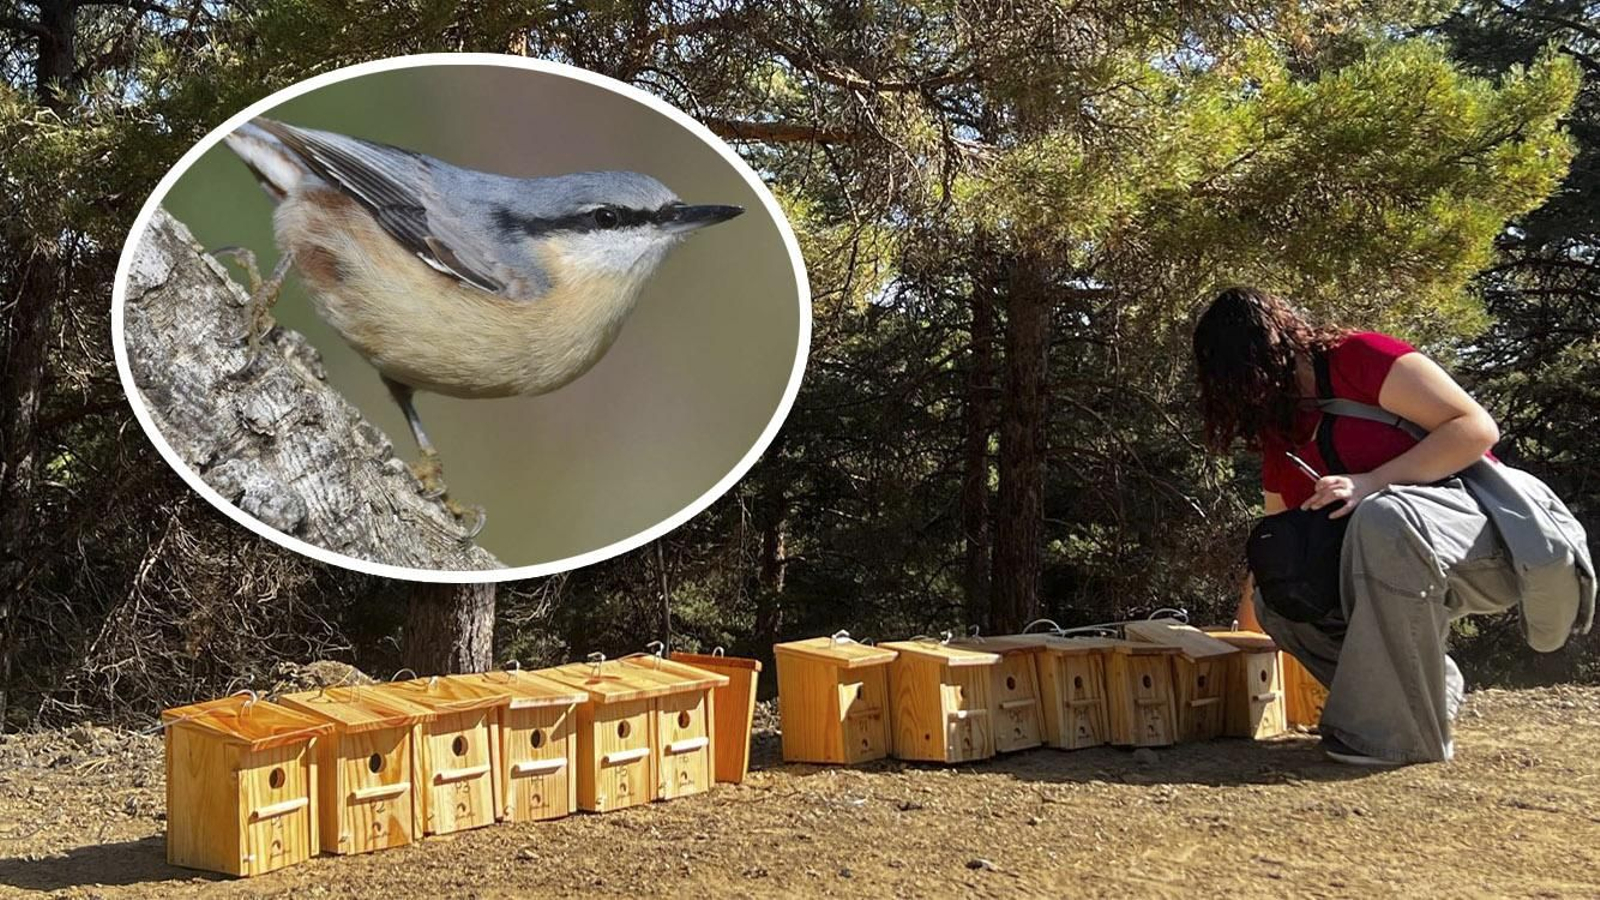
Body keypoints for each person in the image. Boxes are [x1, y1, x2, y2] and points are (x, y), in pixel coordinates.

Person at [1192, 285, 1510, 767]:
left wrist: (1373, 483)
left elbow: (1476, 427)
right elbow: (1279, 542)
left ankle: (1398, 741)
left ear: (1272, 351)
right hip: (1393, 549)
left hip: (1480, 537)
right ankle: (1427, 690)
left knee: (1383, 517)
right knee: (1279, 592)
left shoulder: (1360, 357)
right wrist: (1248, 633)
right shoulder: (1284, 432)